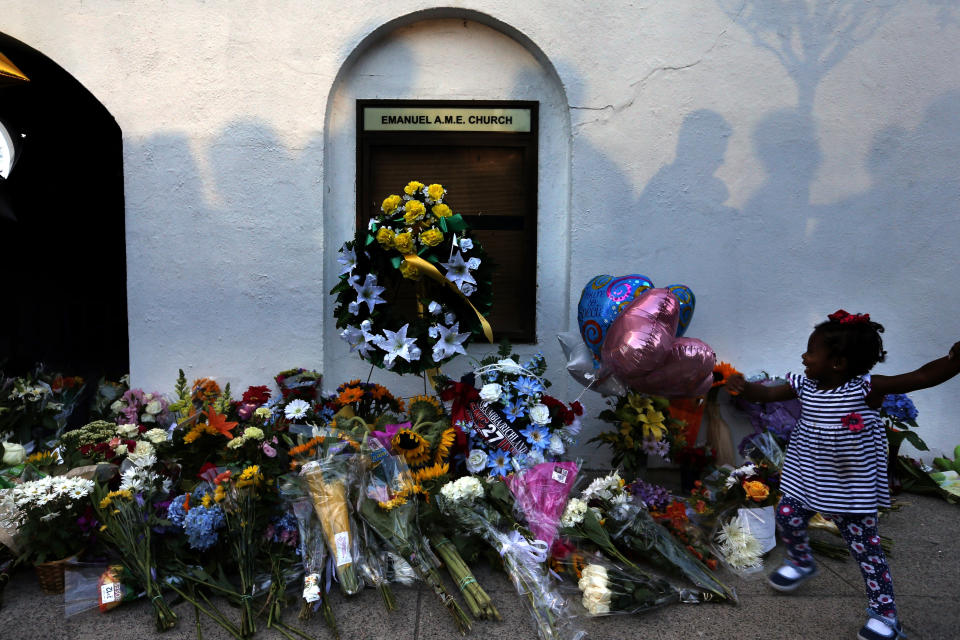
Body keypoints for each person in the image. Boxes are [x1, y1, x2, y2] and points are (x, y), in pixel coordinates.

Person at [727, 310, 960, 640]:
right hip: (808, 476)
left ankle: (885, 616)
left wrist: (953, 362)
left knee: (866, 551)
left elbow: (920, 376)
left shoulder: (867, 389)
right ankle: (801, 560)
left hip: (851, 489)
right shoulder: (803, 385)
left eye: (811, 351)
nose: (804, 356)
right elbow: (764, 394)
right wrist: (743, 386)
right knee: (788, 515)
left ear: (837, 363)